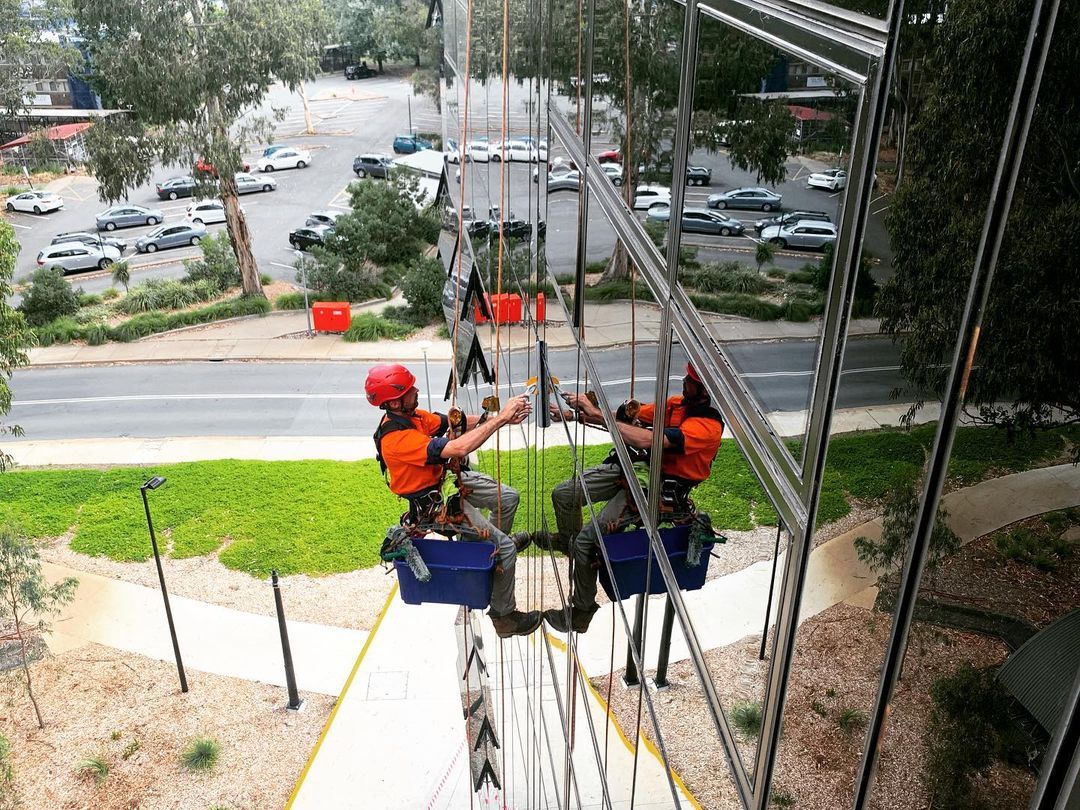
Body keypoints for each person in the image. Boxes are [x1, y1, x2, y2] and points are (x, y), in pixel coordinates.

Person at [543, 364, 724, 633]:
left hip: (657, 488)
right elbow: (624, 421)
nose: (684, 382)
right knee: (563, 494)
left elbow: (647, 440)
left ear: (703, 392)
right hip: (637, 469)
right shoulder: (676, 406)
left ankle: (581, 611)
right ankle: (573, 549)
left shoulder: (706, 428)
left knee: (586, 542)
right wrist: (571, 415)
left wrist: (594, 412)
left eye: (691, 381)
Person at [365, 363, 542, 638]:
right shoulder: (397, 439)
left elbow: (452, 423)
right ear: (395, 401)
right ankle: (503, 617)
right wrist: (501, 419)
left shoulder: (413, 418)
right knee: (506, 549)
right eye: (411, 389)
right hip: (435, 507)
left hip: (443, 484)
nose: (417, 391)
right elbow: (457, 447)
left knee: (508, 498)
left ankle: (483, 551)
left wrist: (487, 419)